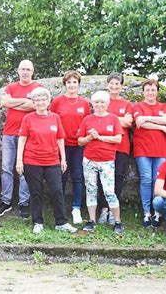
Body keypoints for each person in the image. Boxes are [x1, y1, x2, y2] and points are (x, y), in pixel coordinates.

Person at [16, 87, 77, 234]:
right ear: (33, 102)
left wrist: (63, 159)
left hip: (52, 161)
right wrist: (19, 161)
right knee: (36, 192)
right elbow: (22, 140)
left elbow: (60, 139)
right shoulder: (28, 118)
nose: (40, 102)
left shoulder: (55, 117)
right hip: (32, 160)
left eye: (43, 99)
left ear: (48, 101)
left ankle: (61, 222)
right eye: (37, 100)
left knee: (57, 191)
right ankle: (37, 222)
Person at [0, 60, 41, 219]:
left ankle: (23, 202)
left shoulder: (37, 88)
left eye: (28, 69)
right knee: (6, 167)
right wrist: (24, 102)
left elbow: (35, 106)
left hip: (29, 134)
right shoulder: (11, 87)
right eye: (23, 69)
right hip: (9, 133)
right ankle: (6, 201)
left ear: (33, 71)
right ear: (18, 71)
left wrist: (14, 103)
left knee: (24, 169)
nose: (25, 72)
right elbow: (4, 102)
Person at [78, 91, 124, 235]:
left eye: (102, 102)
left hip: (107, 160)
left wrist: (101, 137)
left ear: (107, 103)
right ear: (92, 104)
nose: (99, 105)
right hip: (90, 159)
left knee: (109, 192)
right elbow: (80, 141)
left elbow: (118, 139)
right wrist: (89, 138)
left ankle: (117, 221)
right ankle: (92, 220)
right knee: (91, 190)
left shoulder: (113, 119)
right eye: (96, 102)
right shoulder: (87, 119)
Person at [50, 70, 91, 224]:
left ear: (78, 84)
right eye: (69, 82)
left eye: (74, 82)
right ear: (65, 84)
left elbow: (87, 123)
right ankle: (59, 208)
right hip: (61, 145)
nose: (72, 85)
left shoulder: (84, 103)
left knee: (78, 176)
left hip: (79, 146)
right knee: (61, 176)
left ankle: (76, 208)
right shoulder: (57, 102)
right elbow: (51, 120)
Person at [133, 79, 166, 228]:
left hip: (161, 149)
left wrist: (147, 118)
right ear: (143, 92)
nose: (150, 92)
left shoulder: (163, 106)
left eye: (153, 90)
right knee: (146, 179)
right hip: (142, 148)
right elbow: (139, 123)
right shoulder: (137, 106)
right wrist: (162, 127)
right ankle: (146, 213)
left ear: (157, 92)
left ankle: (157, 212)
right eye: (148, 90)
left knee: (158, 181)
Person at [97, 73, 133, 225]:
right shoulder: (102, 100)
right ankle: (103, 208)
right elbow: (97, 117)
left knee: (118, 176)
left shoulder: (127, 104)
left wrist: (108, 116)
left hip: (121, 145)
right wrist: (118, 118)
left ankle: (113, 209)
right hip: (103, 145)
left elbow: (128, 122)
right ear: (107, 85)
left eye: (117, 83)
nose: (114, 86)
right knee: (102, 177)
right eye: (111, 83)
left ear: (122, 86)